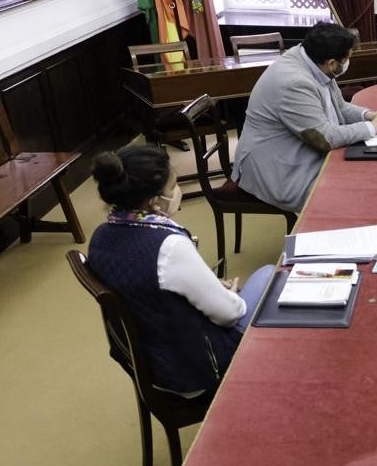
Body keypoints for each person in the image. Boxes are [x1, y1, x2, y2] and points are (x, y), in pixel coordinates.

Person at [87, 145, 274, 397]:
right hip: (195, 370)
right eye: (173, 186)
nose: (178, 191)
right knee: (270, 274)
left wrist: (208, 286)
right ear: (155, 201)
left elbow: (149, 288)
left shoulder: (100, 236)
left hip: (146, 359)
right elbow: (229, 314)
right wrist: (229, 296)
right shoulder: (169, 246)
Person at [233, 21, 377, 213]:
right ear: (331, 63)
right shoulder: (294, 83)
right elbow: (324, 139)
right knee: (351, 193)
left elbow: (339, 106)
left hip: (300, 145)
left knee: (366, 174)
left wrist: (370, 115)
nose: (347, 64)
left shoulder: (313, 60)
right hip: (276, 165)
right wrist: (374, 128)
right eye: (346, 60)